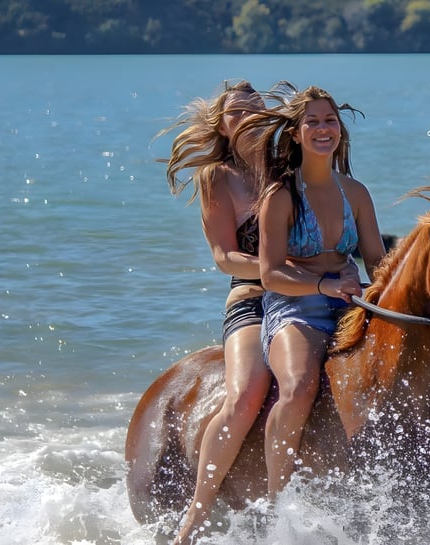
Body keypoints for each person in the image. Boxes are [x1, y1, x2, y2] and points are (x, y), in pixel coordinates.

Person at [235, 82, 386, 499]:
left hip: (351, 304)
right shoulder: (279, 197)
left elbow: (376, 259)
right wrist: (325, 284)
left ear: (340, 131)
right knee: (300, 385)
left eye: (330, 121)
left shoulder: (355, 193)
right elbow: (270, 274)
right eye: (313, 121)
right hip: (294, 309)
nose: (324, 128)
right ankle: (277, 502)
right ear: (297, 133)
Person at [158, 79, 273, 544]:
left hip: (313, 295)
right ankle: (196, 516)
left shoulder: (291, 167)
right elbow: (225, 256)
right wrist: (284, 273)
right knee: (246, 394)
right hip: (252, 298)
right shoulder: (217, 178)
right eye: (234, 114)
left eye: (254, 110)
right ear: (222, 128)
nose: (245, 119)